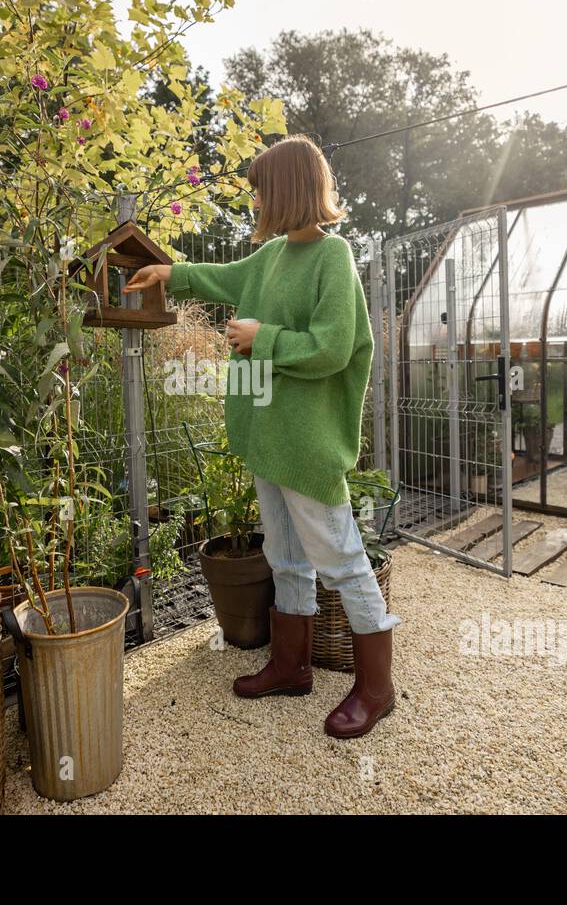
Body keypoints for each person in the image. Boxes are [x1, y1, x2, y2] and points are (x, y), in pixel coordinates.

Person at [124, 134, 400, 739]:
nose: (254, 204)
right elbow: (223, 277)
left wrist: (262, 338)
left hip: (305, 445)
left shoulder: (334, 257)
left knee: (343, 560)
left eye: (259, 193)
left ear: (285, 191)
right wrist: (170, 271)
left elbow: (334, 348)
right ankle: (291, 664)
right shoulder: (273, 256)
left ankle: (377, 687)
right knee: (285, 555)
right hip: (267, 436)